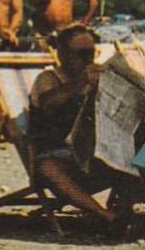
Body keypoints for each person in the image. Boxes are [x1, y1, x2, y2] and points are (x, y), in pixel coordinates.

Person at [28, 25, 137, 228]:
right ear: (62, 53)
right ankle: (107, 217)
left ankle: (125, 205)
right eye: (81, 53)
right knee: (47, 167)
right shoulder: (48, 79)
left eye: (91, 53)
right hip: (62, 155)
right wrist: (81, 83)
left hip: (95, 155)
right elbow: (47, 103)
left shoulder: (96, 78)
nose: (88, 59)